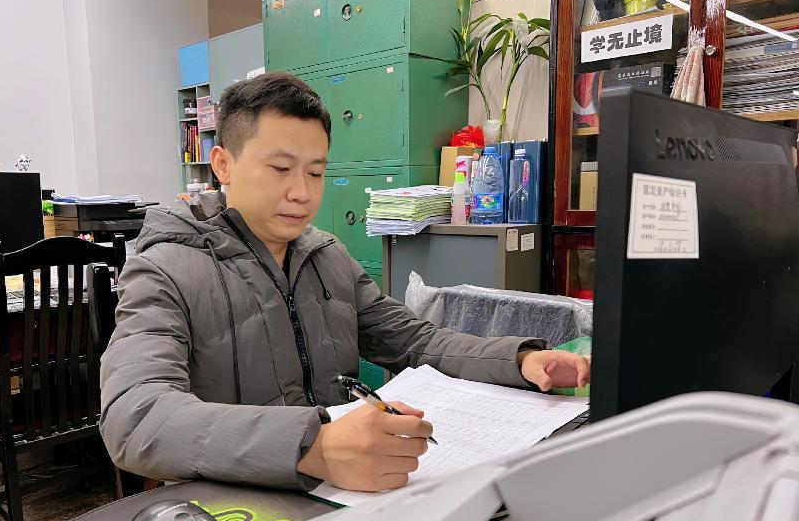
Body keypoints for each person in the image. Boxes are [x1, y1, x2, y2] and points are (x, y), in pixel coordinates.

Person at [99, 73, 590, 493]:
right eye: (280, 168)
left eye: (316, 173)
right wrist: (311, 445)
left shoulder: (327, 256)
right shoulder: (164, 269)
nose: (301, 192)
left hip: (346, 495)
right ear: (223, 164)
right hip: (239, 507)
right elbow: (134, 416)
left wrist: (519, 360)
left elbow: (414, 341)